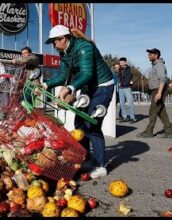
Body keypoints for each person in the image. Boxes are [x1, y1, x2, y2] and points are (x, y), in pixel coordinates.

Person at [42, 24, 115, 178]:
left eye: (54, 41)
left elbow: (87, 74)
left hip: (102, 86)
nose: (54, 45)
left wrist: (70, 88)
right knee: (79, 124)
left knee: (92, 125)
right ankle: (86, 158)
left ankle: (101, 165)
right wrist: (45, 84)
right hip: (89, 87)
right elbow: (63, 76)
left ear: (63, 38)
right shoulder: (65, 53)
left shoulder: (84, 47)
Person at [137, 48, 172, 138]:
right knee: (161, 111)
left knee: (153, 111)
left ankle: (149, 131)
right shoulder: (155, 65)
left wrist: (159, 93)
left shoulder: (159, 65)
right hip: (156, 90)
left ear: (156, 55)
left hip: (159, 90)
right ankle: (169, 130)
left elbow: (163, 79)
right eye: (149, 54)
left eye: (151, 54)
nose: (148, 56)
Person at [118, 57, 136, 123]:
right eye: (120, 62)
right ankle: (125, 117)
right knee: (122, 104)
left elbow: (131, 77)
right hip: (121, 88)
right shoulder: (120, 69)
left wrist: (130, 82)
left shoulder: (129, 69)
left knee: (130, 103)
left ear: (125, 62)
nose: (121, 63)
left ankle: (132, 118)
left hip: (127, 88)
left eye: (122, 62)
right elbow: (120, 78)